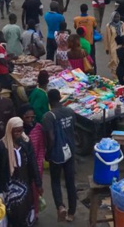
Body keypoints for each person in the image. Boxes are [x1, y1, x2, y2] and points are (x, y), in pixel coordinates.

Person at [0, 117, 42, 227]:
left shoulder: (26, 143)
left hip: (25, 184)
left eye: (21, 130)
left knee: (26, 211)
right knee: (13, 213)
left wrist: (38, 183)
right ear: (10, 130)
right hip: (9, 186)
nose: (19, 133)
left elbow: (33, 164)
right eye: (16, 131)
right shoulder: (1, 146)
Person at [43, 89, 78, 223]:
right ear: (59, 98)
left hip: (56, 154)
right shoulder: (69, 111)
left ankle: (60, 206)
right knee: (70, 182)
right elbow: (73, 129)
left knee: (55, 181)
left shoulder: (48, 116)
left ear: (49, 101)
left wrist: (48, 153)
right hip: (69, 151)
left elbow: (51, 138)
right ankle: (72, 212)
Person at [19, 105, 47, 192]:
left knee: (35, 189)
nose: (30, 120)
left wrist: (38, 165)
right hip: (21, 166)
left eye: (32, 117)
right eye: (27, 117)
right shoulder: (17, 130)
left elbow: (41, 147)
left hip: (35, 164)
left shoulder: (38, 128)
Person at [73, 4, 97, 70]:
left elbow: (75, 27)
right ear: (87, 10)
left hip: (79, 42)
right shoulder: (92, 19)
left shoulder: (76, 19)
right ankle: (93, 72)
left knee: (79, 59)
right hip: (90, 42)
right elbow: (95, 27)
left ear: (80, 10)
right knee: (91, 58)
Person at [103, 11, 124, 76]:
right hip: (113, 45)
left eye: (118, 17)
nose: (117, 18)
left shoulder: (121, 24)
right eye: (115, 17)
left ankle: (119, 75)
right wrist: (106, 48)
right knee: (114, 60)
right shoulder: (109, 26)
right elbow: (106, 37)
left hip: (121, 45)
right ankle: (115, 76)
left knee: (120, 61)